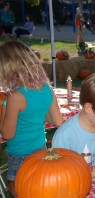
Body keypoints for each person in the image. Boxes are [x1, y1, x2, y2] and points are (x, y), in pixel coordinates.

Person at [0, 41, 63, 198]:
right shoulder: (46, 89)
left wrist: (4, 104)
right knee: (37, 186)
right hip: (40, 149)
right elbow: (57, 121)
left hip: (19, 154)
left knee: (16, 187)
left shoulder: (14, 97)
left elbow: (7, 134)